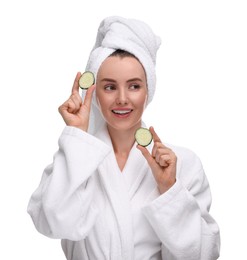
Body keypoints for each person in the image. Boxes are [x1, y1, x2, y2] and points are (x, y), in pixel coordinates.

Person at [27, 16, 220, 260]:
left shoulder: (184, 164)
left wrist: (169, 189)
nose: (122, 99)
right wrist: (76, 136)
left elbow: (202, 255)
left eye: (134, 86)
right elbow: (52, 224)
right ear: (95, 93)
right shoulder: (76, 161)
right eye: (109, 87)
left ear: (148, 90)